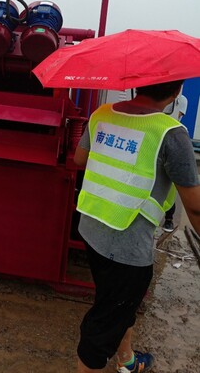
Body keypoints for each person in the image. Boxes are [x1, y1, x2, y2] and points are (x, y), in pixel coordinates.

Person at [73, 80, 200, 373]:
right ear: (176, 92)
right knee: (103, 324)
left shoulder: (101, 114)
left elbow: (80, 158)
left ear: (135, 85)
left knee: (118, 304)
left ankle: (128, 361)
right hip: (127, 248)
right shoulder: (171, 134)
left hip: (93, 231)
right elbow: (193, 206)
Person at [162, 93, 189, 232]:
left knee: (170, 191)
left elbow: (176, 116)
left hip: (171, 136)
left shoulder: (182, 100)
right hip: (161, 133)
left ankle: (169, 219)